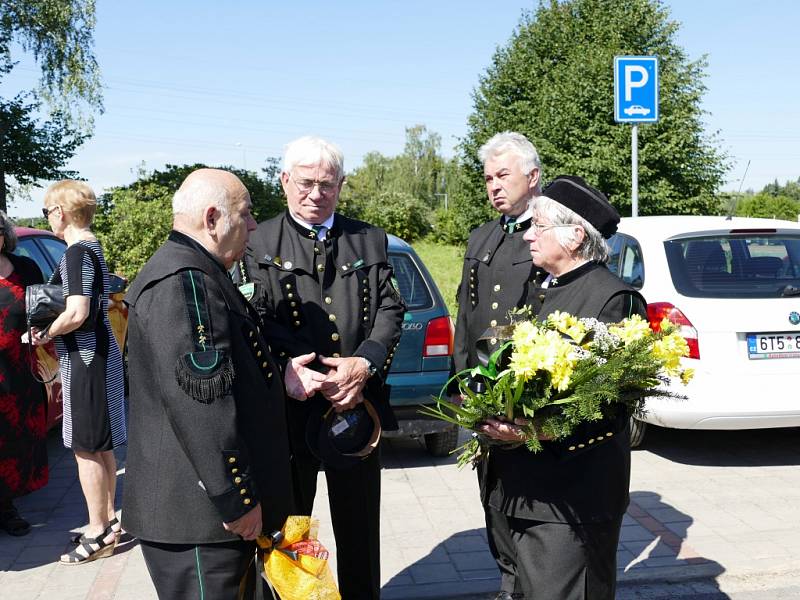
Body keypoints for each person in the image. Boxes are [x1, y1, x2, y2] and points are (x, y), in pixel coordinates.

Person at [241, 136, 405, 599]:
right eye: (306, 183)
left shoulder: (368, 238)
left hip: (356, 407)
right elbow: (254, 317)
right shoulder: (258, 240)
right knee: (293, 529)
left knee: (359, 526)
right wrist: (289, 369)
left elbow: (391, 310)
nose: (316, 194)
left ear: (341, 185)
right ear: (285, 181)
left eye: (327, 185)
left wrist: (365, 363)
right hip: (291, 410)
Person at [121, 169, 295, 599]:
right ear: (213, 218)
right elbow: (203, 406)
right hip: (201, 519)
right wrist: (237, 499)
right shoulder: (185, 283)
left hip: (206, 515)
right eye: (247, 213)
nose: (254, 226)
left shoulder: (198, 271)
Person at [477, 175, 647, 600]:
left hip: (570, 502)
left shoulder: (612, 299)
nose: (528, 236)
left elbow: (610, 406)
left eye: (538, 226)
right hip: (514, 490)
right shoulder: (537, 289)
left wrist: (534, 431)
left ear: (574, 235)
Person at [449, 132, 542, 600]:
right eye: (487, 177)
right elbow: (466, 313)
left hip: (530, 396)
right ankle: (507, 578)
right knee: (492, 493)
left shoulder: (550, 234)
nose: (493, 185)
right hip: (483, 393)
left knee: (530, 496)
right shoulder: (482, 236)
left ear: (533, 176)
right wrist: (460, 382)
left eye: (503, 175)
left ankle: (529, 581)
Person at [32, 182, 126, 564]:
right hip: (100, 354)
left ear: (61, 212)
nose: (48, 218)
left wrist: (43, 335)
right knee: (100, 444)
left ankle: (96, 530)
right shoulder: (93, 247)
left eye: (47, 211)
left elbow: (77, 312)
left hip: (86, 359)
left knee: (85, 448)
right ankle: (108, 524)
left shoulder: (75, 252)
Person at [0, 212, 47, 537]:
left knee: (15, 444)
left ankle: (7, 506)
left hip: (19, 373)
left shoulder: (25, 268)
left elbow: (43, 308)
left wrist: (41, 328)